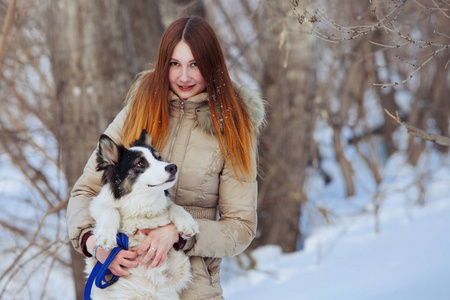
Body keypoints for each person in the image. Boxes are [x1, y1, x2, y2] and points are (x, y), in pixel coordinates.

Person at [67, 16, 265, 299]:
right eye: (175, 64)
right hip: (125, 285)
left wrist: (179, 234)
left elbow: (241, 227)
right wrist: (93, 242)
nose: (184, 77)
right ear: (164, 65)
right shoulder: (138, 113)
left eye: (195, 64)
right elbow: (86, 190)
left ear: (212, 65)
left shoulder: (234, 128)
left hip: (193, 288)